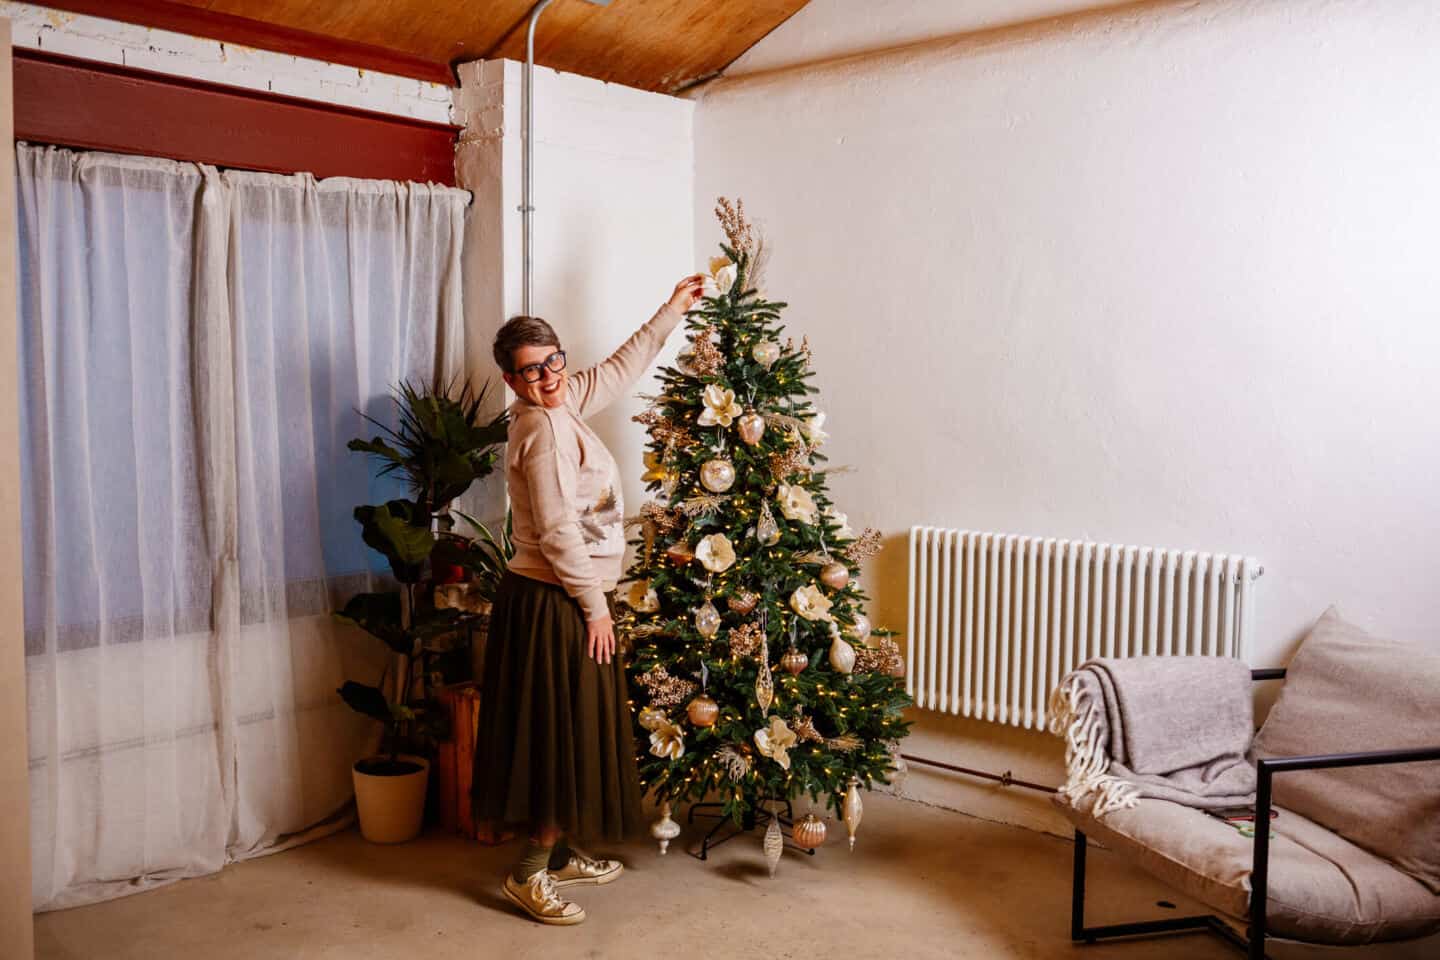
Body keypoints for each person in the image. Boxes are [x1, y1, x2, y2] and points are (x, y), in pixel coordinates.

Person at [476, 274, 706, 925]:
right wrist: (595, 607)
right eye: (531, 370)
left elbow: (620, 367)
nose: (548, 376)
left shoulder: (564, 402)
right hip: (557, 601)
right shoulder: (543, 431)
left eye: (553, 361)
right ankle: (527, 873)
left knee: (572, 727)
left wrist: (670, 310)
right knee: (559, 733)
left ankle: (563, 850)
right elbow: (554, 532)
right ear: (511, 380)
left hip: (565, 597)